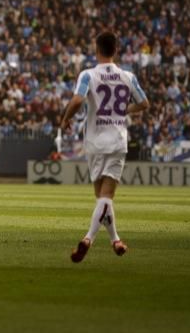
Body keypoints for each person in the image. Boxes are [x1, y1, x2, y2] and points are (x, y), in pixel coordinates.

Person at [60, 31, 149, 263]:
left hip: (95, 142)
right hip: (118, 141)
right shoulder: (127, 76)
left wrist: (66, 118)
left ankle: (103, 239)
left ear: (96, 48)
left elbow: (78, 100)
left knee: (102, 196)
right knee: (106, 197)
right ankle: (103, 239)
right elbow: (144, 103)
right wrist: (124, 110)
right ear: (116, 50)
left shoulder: (88, 75)